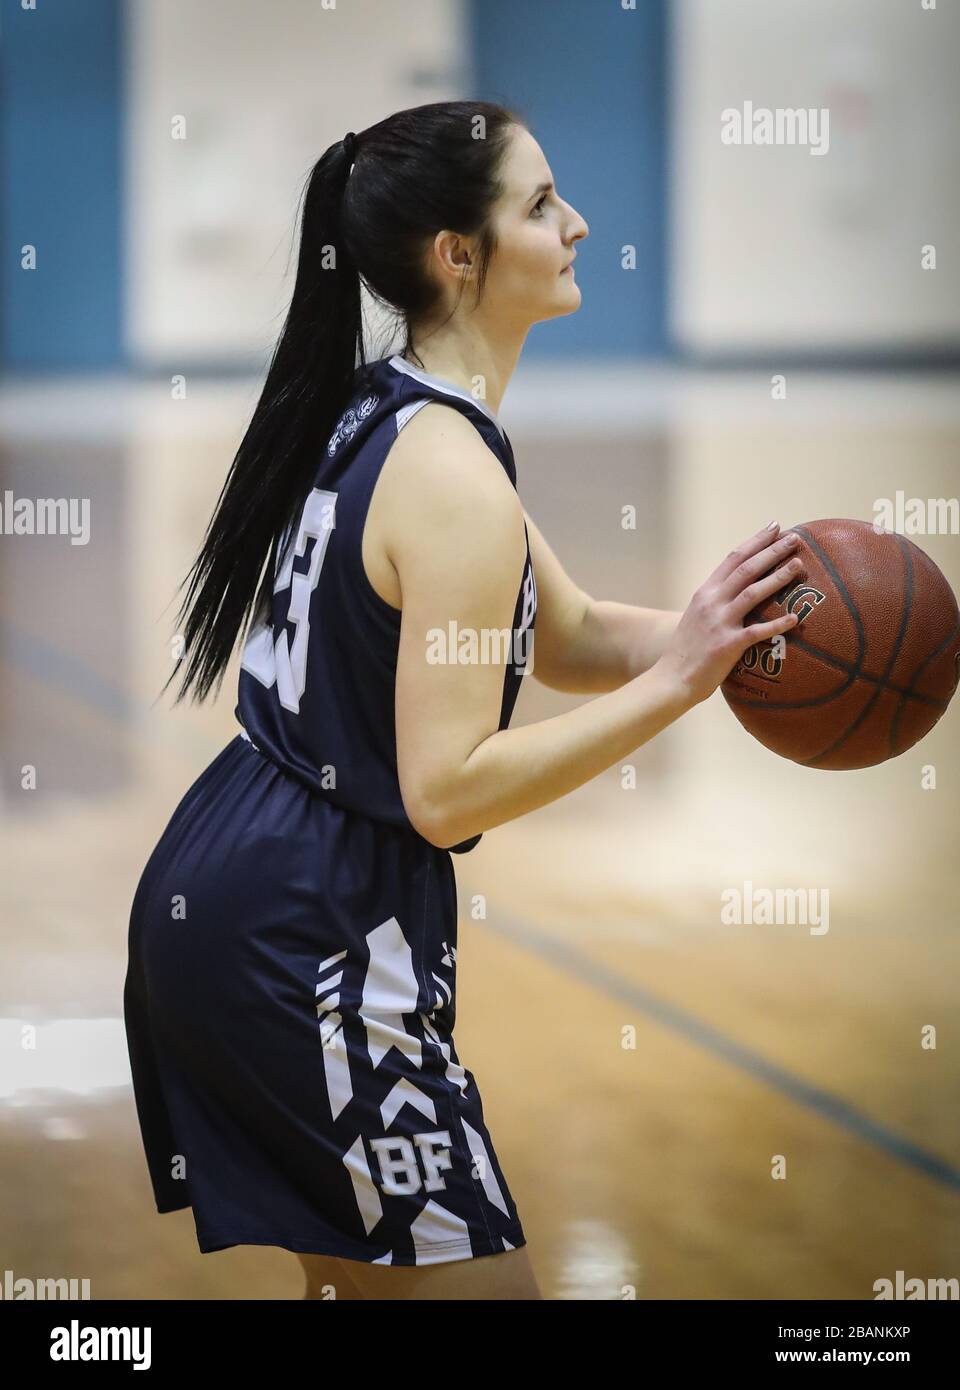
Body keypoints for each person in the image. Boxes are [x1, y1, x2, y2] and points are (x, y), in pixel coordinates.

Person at [123, 99, 802, 1302]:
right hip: (308, 936)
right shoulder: (452, 478)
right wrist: (684, 684)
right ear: (458, 254)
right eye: (542, 204)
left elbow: (573, 634)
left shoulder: (399, 410)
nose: (579, 223)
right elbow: (447, 794)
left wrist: (729, 635)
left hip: (241, 880)